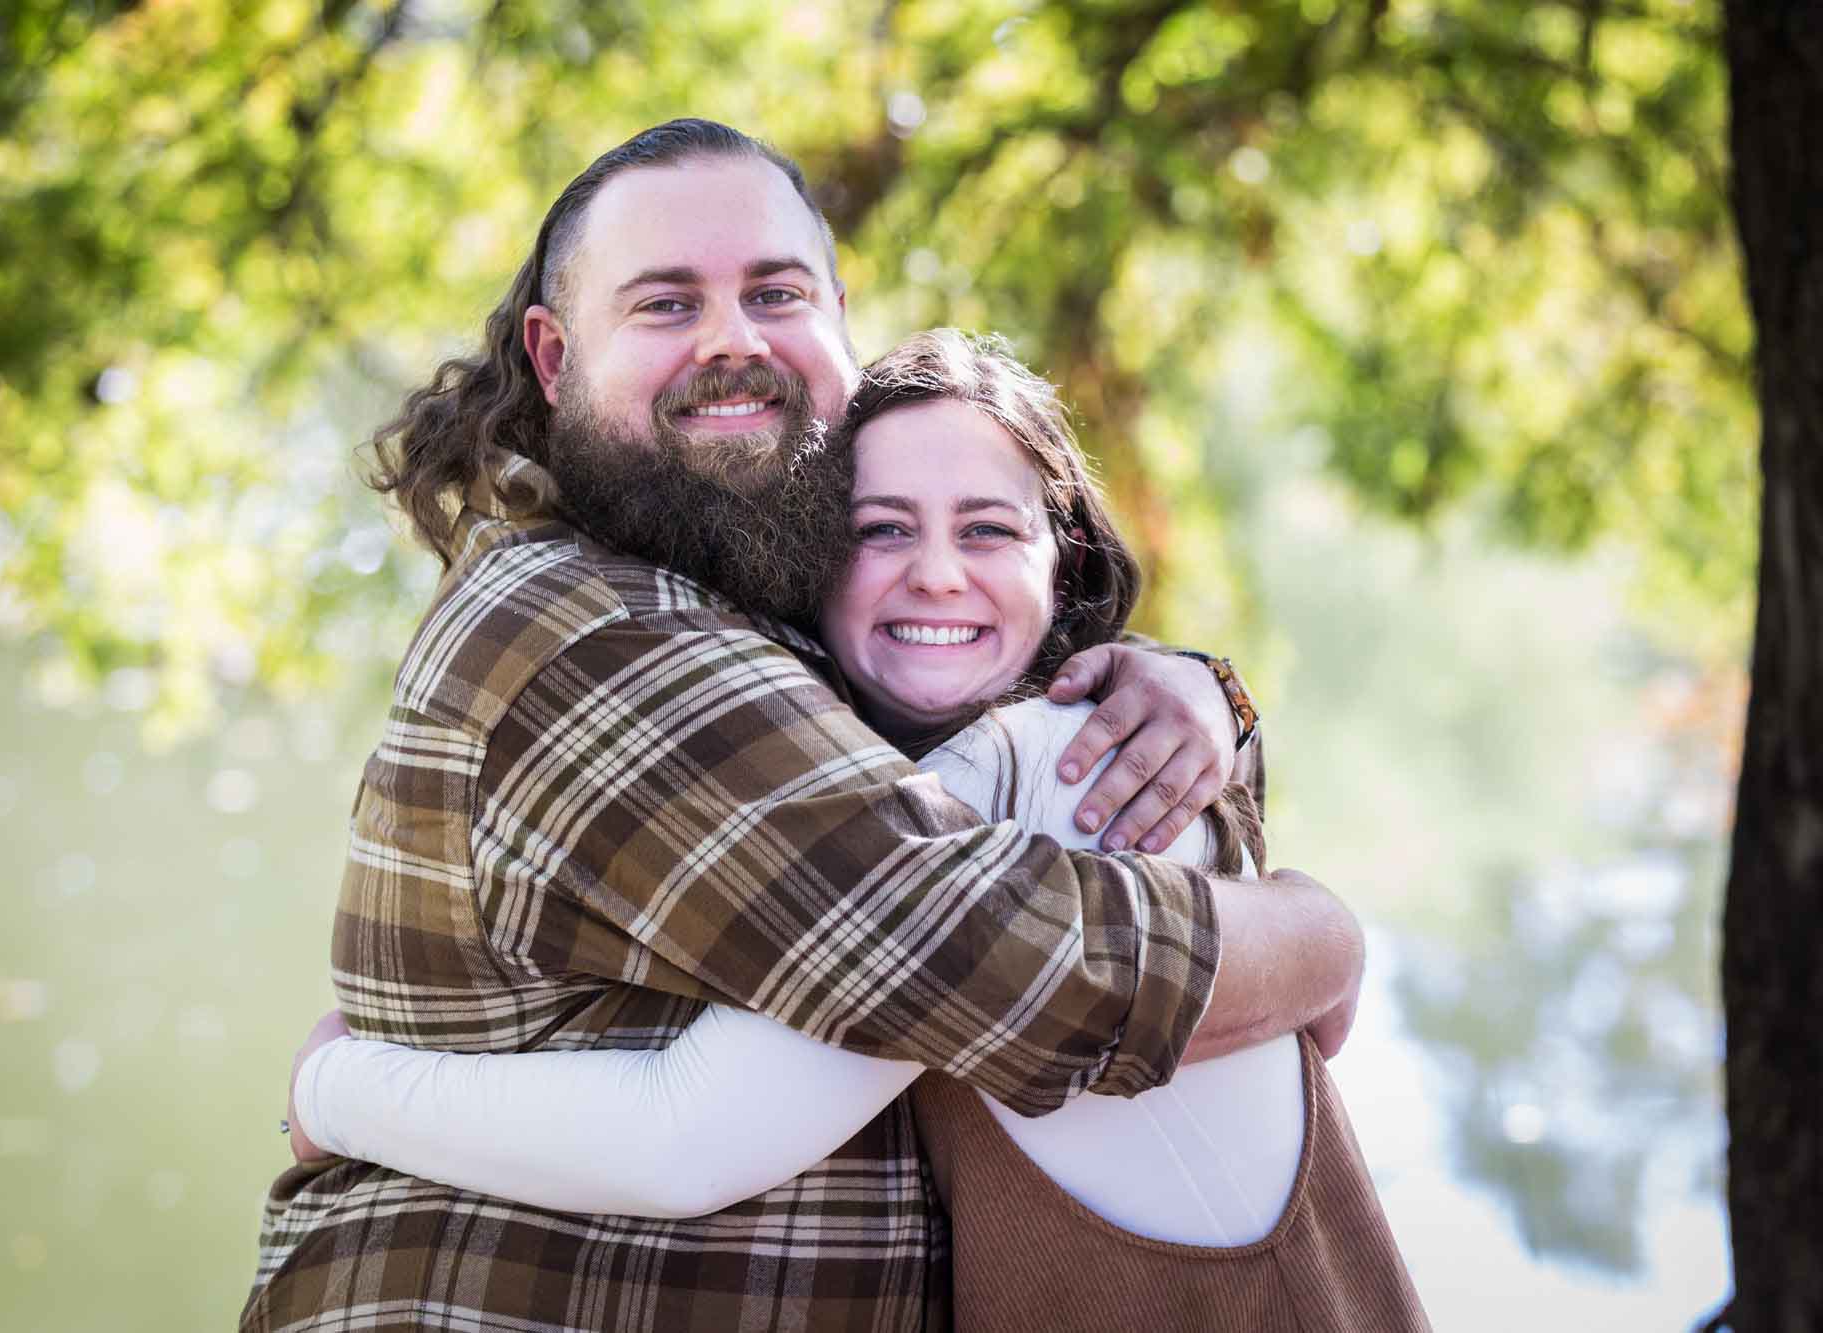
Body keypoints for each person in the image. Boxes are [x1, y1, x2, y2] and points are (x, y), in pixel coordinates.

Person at [242, 120, 1365, 1332]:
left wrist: (1201, 698)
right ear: (554, 359)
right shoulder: (595, 627)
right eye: (666, 303)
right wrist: (1326, 939)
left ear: (838, 318)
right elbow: (986, 956)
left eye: (774, 292)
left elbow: (963, 735)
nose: (732, 337)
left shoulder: (759, 613)